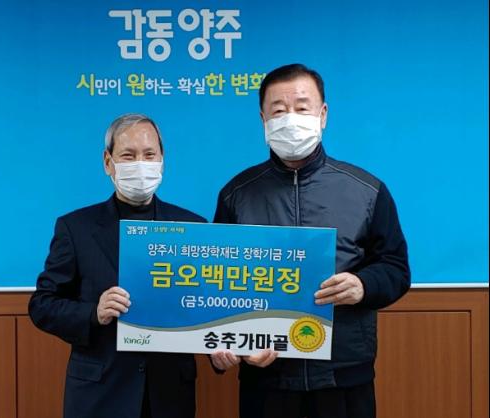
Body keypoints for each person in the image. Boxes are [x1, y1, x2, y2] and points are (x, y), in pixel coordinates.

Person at [210, 64, 410, 418]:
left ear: (323, 114)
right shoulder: (236, 194)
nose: (290, 119)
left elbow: (396, 268)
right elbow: (218, 281)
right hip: (266, 378)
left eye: (302, 108)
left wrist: (363, 285)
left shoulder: (367, 190)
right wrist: (230, 346)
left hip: (343, 374)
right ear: (263, 119)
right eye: (278, 110)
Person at [29, 113, 205, 418]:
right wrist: (93, 313)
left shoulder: (194, 228)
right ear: (108, 162)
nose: (140, 164)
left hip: (169, 395)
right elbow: (42, 305)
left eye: (149, 154)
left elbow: (208, 305)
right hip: (101, 394)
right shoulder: (76, 228)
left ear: (162, 160)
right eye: (128, 155)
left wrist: (221, 348)